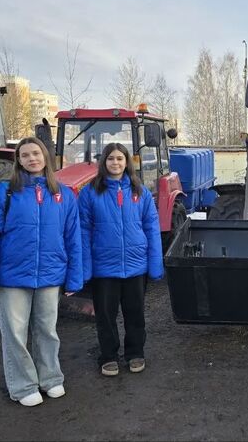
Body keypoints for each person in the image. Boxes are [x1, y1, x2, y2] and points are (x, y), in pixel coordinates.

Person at [0, 137, 82, 407]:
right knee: (16, 334)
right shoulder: (2, 193)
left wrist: (74, 276)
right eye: (25, 155)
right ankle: (23, 386)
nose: (32, 159)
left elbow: (73, 237)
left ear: (45, 156)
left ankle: (51, 379)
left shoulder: (64, 195)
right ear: (18, 160)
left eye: (36, 153)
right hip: (12, 277)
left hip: (50, 275)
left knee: (47, 330)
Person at [79, 143, 164, 377]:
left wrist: (155, 264)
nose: (115, 163)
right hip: (104, 267)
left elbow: (151, 228)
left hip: (136, 266)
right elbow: (83, 231)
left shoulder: (141, 192)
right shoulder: (90, 192)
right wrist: (85, 268)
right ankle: (108, 356)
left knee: (135, 313)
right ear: (103, 162)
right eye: (110, 159)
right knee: (105, 316)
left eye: (119, 159)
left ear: (127, 162)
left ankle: (135, 353)